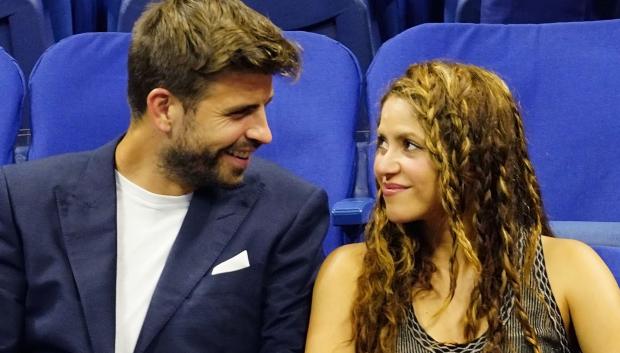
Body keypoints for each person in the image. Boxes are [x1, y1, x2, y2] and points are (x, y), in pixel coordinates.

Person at [0, 0, 329, 352]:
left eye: (264, 108)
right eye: (239, 113)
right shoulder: (21, 202)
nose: (264, 133)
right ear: (164, 108)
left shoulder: (287, 213)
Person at [305, 61, 620, 353]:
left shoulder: (568, 268)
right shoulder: (350, 274)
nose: (384, 165)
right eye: (383, 142)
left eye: (409, 145)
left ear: (471, 161)